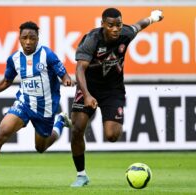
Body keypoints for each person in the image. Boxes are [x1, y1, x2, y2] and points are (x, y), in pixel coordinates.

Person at [0, 21, 73, 188]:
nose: (28, 42)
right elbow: (6, 82)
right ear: (19, 39)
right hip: (24, 103)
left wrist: (67, 81)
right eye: (25, 38)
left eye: (32, 38)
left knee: (40, 147)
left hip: (45, 109)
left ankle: (59, 122)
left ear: (38, 39)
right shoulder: (14, 58)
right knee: (2, 132)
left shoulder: (47, 55)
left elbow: (64, 74)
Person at [70, 8, 164, 187]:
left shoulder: (126, 34)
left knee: (112, 135)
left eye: (118, 25)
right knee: (77, 129)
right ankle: (81, 175)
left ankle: (84, 117)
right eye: (111, 25)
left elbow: (139, 25)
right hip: (88, 88)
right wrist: (88, 95)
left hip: (113, 90)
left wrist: (154, 17)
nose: (115, 29)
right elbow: (79, 69)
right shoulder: (92, 40)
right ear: (103, 24)